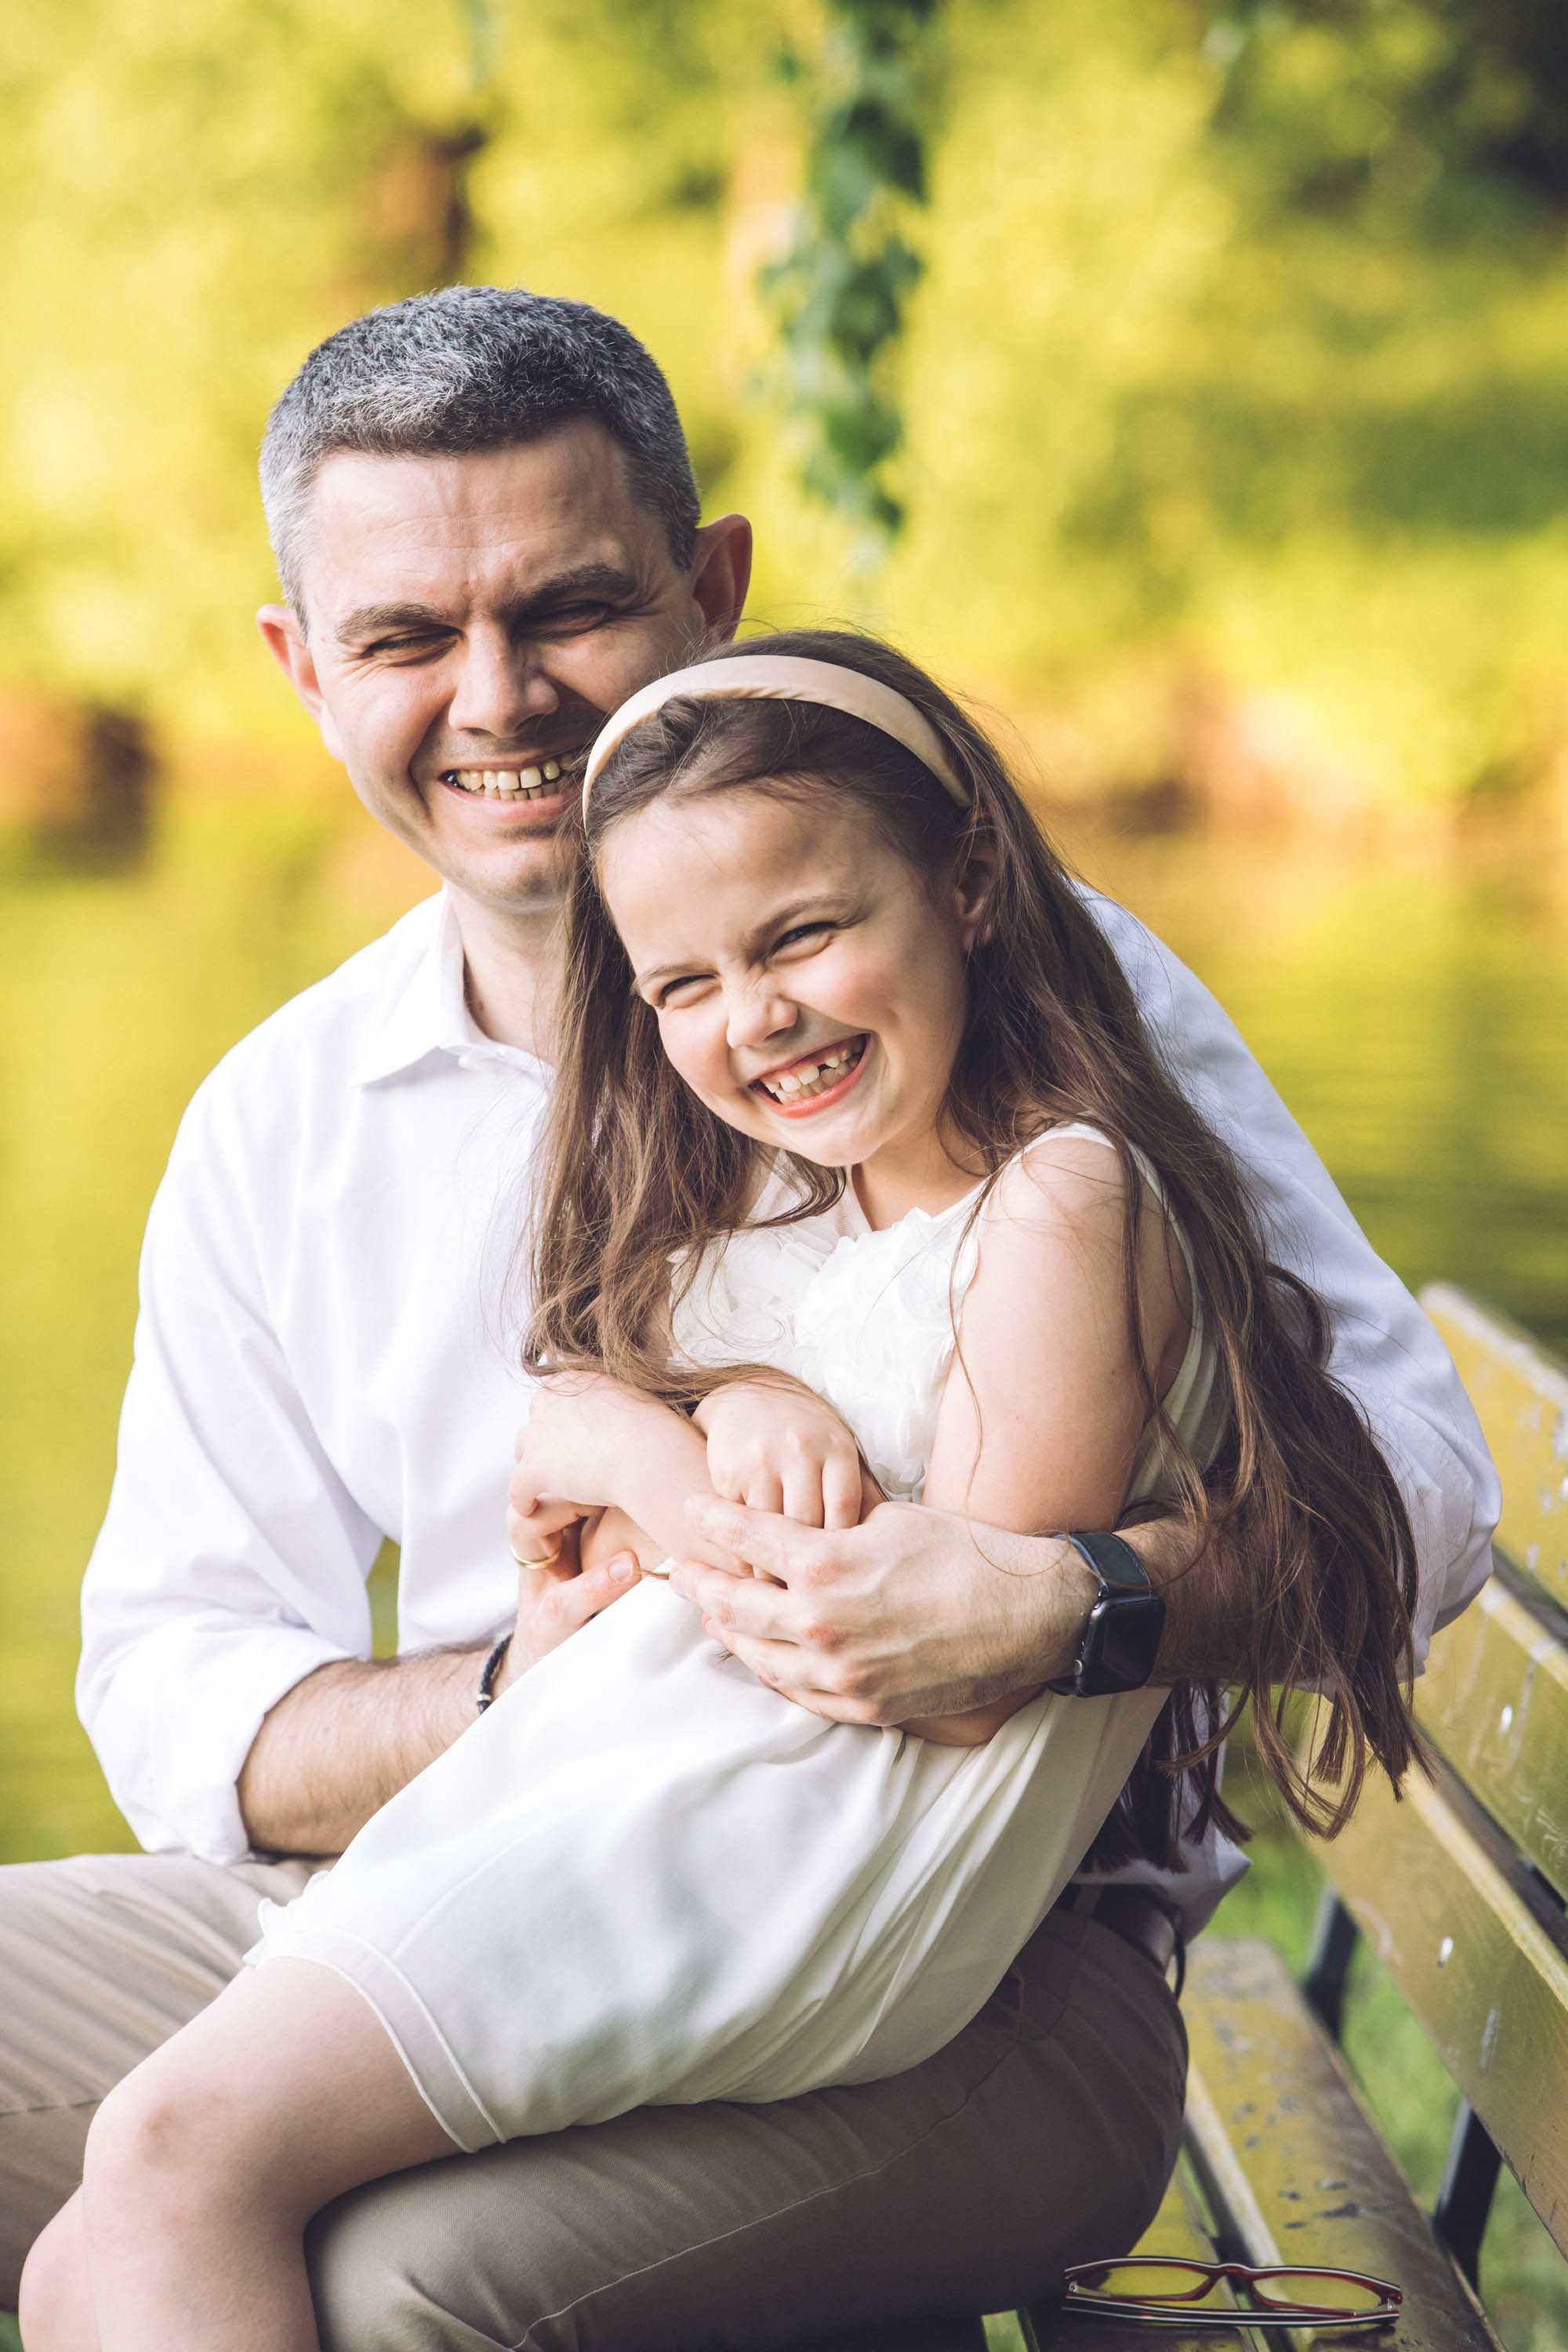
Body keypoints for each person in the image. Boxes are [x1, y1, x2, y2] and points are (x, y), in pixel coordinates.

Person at [0, 288, 1496, 2347]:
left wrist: (1063, 1606)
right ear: (301, 669)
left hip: (960, 1960)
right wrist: (532, 1681)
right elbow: (176, 1684)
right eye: (407, 639)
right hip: (477, 1849)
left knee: (372, 2279)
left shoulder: (1042, 1011)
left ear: (715, 589)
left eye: (570, 607)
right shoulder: (283, 1118)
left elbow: (1418, 1501)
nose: (500, 699)